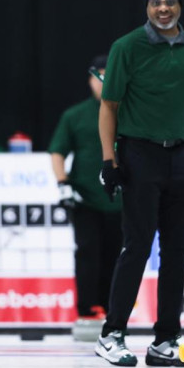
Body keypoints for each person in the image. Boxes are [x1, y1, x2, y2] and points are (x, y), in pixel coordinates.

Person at [96, 0, 184, 367]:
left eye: (169, 1)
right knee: (137, 246)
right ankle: (112, 334)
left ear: (180, 6)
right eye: (156, 2)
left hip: (179, 157)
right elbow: (109, 107)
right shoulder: (127, 47)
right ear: (147, 8)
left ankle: (165, 340)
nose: (163, 8)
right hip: (138, 154)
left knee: (177, 252)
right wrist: (109, 161)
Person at [48, 55, 123, 336]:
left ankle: (112, 309)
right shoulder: (75, 115)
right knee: (87, 252)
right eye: (98, 76)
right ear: (90, 79)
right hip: (85, 197)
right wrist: (63, 183)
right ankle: (87, 308)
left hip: (121, 199)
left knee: (117, 254)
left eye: (108, 76)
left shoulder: (128, 111)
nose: (102, 82)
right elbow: (57, 151)